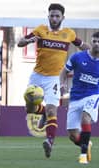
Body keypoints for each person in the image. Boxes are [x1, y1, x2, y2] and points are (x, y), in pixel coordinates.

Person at [17, 3, 89, 158]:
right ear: (48, 16)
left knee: (52, 110)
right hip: (37, 75)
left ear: (62, 17)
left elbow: (84, 46)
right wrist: (30, 40)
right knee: (29, 108)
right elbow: (19, 43)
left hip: (54, 78)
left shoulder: (68, 33)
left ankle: (49, 141)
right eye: (52, 16)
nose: (54, 18)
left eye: (57, 16)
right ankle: (41, 113)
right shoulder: (40, 30)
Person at [60, 31, 99, 164]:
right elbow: (65, 71)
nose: (97, 44)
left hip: (93, 95)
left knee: (85, 117)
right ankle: (86, 145)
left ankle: (83, 156)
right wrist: (61, 84)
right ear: (91, 42)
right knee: (72, 135)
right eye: (94, 41)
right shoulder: (77, 57)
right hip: (75, 97)